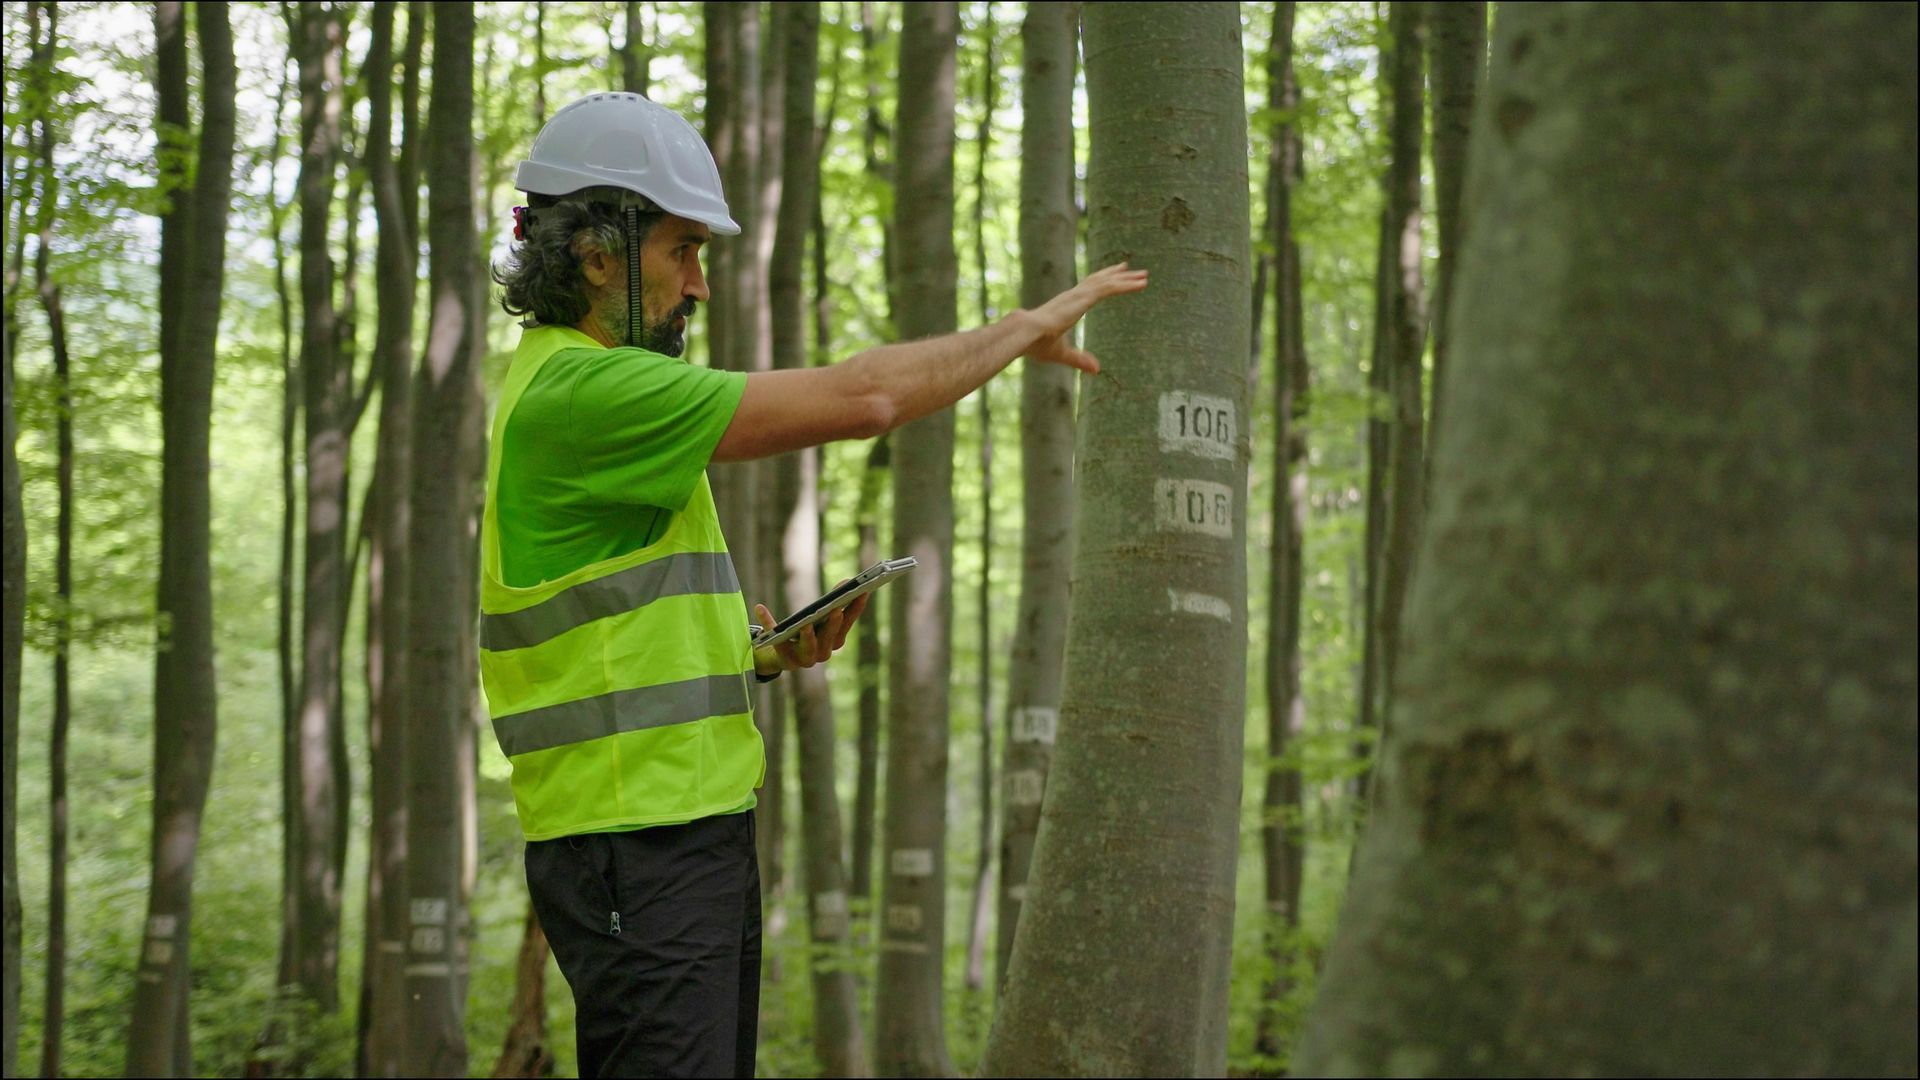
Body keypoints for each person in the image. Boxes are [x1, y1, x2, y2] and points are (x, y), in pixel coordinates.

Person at [479, 91, 1146, 1079]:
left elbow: (609, 628)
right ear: (595, 251)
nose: (699, 286)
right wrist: (1014, 332)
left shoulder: (578, 386)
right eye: (682, 252)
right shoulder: (585, 394)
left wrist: (754, 653)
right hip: (639, 847)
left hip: (672, 838)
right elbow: (863, 396)